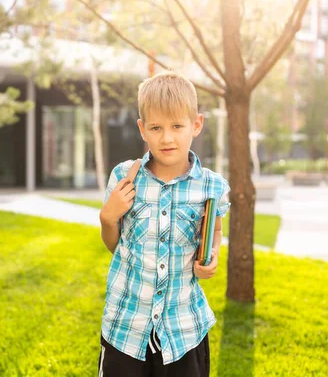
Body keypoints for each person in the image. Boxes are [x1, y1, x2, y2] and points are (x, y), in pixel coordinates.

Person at [97, 70, 230, 376]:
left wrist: (212, 257)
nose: (167, 137)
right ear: (142, 129)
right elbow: (114, 245)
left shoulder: (211, 186)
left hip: (184, 329)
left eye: (177, 126)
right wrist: (108, 217)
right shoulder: (123, 177)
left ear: (196, 125)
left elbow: (216, 230)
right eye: (156, 127)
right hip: (126, 327)